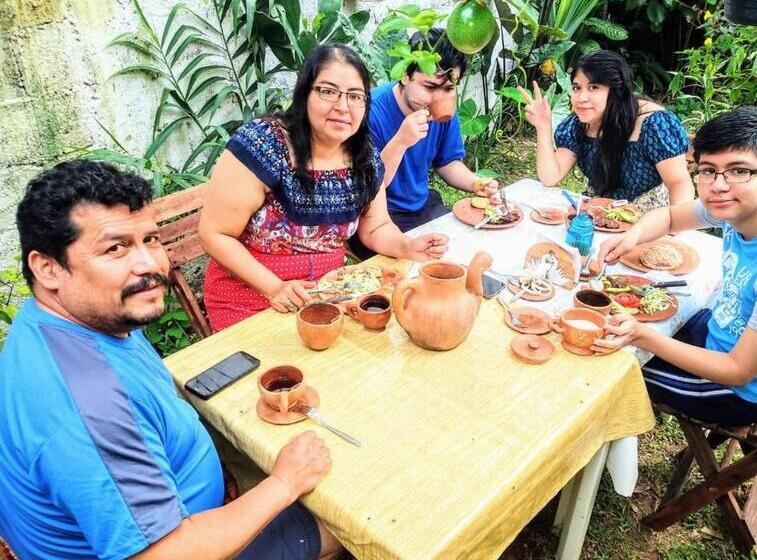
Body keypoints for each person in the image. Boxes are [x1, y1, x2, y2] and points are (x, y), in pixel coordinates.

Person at [0, 160, 343, 560]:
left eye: (151, 239)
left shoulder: (74, 321)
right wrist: (285, 483)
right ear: (48, 268)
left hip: (171, 508)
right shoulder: (88, 405)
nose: (150, 264)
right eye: (115, 248)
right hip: (178, 546)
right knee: (344, 522)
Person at [593, 107, 757, 425]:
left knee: (605, 369)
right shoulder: (748, 202)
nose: (718, 185)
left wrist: (643, 336)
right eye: (708, 170)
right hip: (723, 332)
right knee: (614, 316)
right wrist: (632, 237)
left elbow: (738, 370)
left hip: (740, 391)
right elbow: (672, 216)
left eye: (739, 170)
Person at [199, 44, 448, 332]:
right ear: (305, 93)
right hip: (252, 297)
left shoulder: (362, 154)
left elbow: (376, 226)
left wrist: (406, 245)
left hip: (331, 295)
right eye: (328, 91)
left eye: (355, 96)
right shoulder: (264, 145)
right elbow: (214, 233)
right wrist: (274, 287)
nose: (342, 107)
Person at [361, 28, 498, 236]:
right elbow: (367, 189)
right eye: (430, 87)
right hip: (379, 216)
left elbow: (448, 162)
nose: (438, 98)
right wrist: (400, 142)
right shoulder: (369, 113)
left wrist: (475, 183)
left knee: (471, 238)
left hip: (422, 205)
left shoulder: (443, 109)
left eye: (449, 88)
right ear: (405, 76)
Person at [519, 50, 694, 211]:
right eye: (576, 88)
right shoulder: (578, 125)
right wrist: (543, 127)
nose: (581, 98)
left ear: (616, 91)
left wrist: (674, 227)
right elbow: (550, 177)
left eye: (594, 87)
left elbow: (679, 182)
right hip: (597, 214)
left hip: (647, 219)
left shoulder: (653, 124)